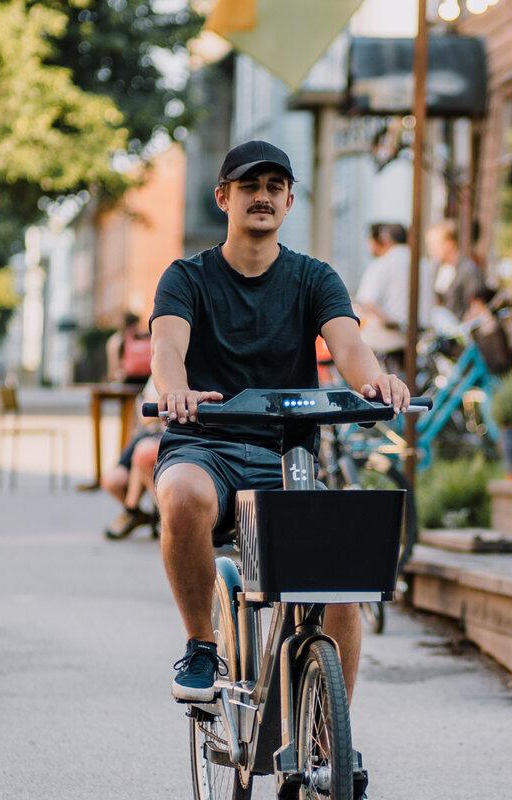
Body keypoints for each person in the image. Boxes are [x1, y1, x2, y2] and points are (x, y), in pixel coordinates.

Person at [150, 140, 412, 703]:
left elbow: (351, 347)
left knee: (341, 581)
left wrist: (377, 383)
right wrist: (176, 393)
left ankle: (328, 734)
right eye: (250, 187)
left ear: (290, 201)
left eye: (274, 188)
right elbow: (167, 348)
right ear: (224, 197)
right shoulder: (186, 277)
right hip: (204, 446)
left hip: (284, 459)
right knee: (181, 495)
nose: (262, 197)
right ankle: (200, 644)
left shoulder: (315, 279)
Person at [354, 222, 432, 362]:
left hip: (390, 340)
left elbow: (367, 302)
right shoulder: (423, 262)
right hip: (421, 337)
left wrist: (392, 322)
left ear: (385, 239)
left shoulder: (382, 263)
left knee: (354, 342)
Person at [101, 386, 163, 540]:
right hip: (145, 434)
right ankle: (139, 515)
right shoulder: (158, 369)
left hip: (164, 435)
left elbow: (149, 413)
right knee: (111, 480)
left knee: (143, 454)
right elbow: (145, 415)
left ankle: (133, 510)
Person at [427, 220, 491, 326]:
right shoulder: (436, 268)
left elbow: (476, 306)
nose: (431, 249)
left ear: (449, 243)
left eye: (434, 244)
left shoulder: (467, 269)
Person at [108, 311, 154, 387]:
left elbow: (112, 371)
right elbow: (114, 370)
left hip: (131, 379)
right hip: (129, 379)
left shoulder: (116, 340)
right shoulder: (118, 341)